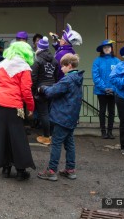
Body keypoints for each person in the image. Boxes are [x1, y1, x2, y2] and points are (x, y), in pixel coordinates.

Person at [0, 41, 36, 181]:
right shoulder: (24, 67)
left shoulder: (1, 65)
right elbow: (26, 91)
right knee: (17, 137)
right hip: (13, 105)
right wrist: (31, 107)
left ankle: (5, 168)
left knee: (1, 135)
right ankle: (21, 170)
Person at [37, 53, 84, 181]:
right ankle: (70, 169)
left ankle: (51, 170)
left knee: (56, 143)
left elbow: (52, 92)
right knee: (69, 143)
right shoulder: (77, 78)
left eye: (63, 66)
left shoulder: (67, 79)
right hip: (72, 117)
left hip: (62, 117)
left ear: (69, 65)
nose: (61, 69)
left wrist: (42, 88)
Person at [31, 36, 59, 145]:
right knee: (51, 113)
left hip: (41, 89)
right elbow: (56, 76)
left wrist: (33, 91)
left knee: (43, 114)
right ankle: (52, 135)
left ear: (39, 48)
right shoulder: (54, 60)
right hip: (52, 88)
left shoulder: (37, 59)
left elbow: (34, 77)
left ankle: (46, 136)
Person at [92, 40, 120, 139]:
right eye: (105, 47)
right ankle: (103, 131)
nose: (107, 49)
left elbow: (120, 76)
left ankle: (110, 132)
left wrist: (113, 88)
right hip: (101, 91)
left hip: (113, 91)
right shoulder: (97, 61)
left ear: (111, 48)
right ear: (102, 50)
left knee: (112, 111)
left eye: (108, 47)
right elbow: (96, 76)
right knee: (102, 111)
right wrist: (104, 88)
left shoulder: (117, 61)